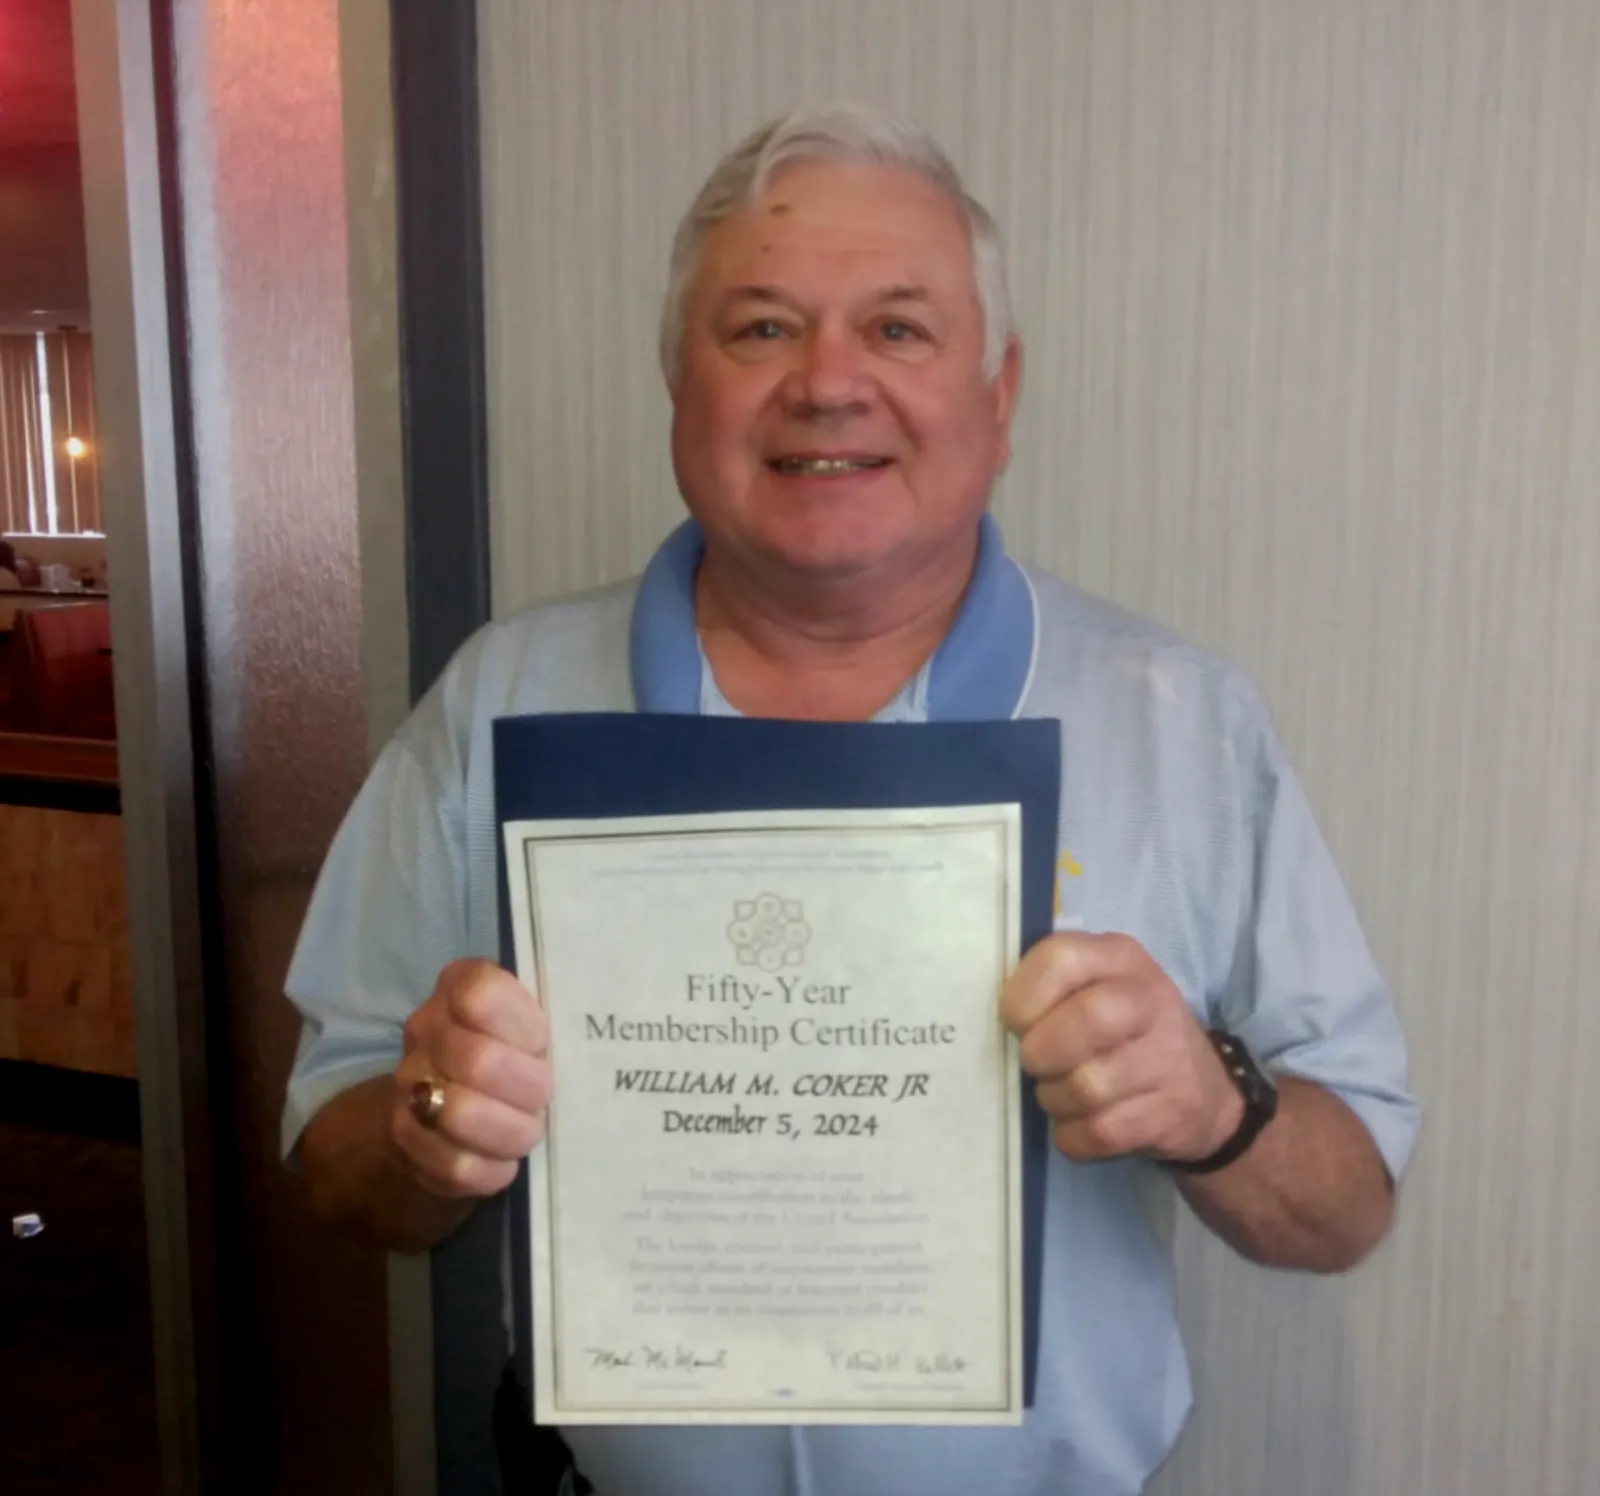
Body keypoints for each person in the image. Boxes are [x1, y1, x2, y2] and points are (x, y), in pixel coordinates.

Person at [283, 105, 1418, 1496]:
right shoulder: (500, 701)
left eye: (898, 329)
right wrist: (427, 1136)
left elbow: (1347, 1206)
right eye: (761, 328)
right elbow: (335, 1156)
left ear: (997, 398)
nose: (828, 384)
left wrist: (1212, 1105)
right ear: (674, 381)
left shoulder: (1182, 721)